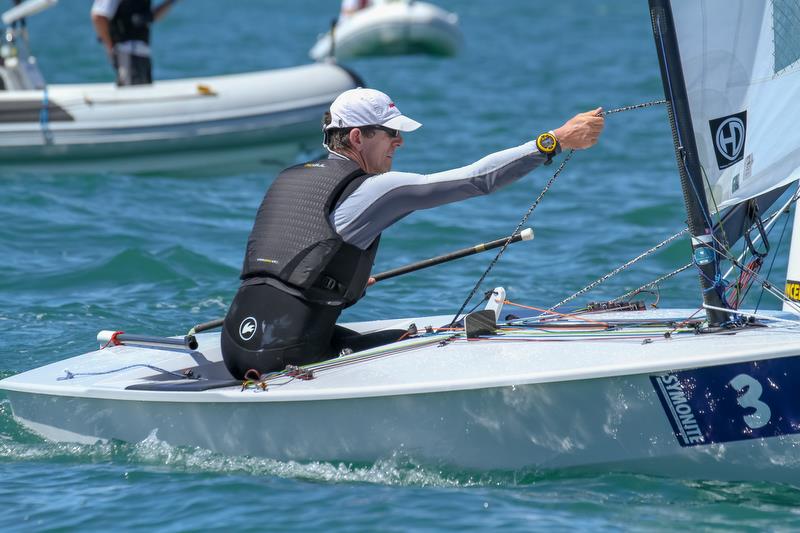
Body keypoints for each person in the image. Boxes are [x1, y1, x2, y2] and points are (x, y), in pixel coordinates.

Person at [221, 87, 604, 379]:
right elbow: (475, 180)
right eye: (390, 133)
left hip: (237, 341)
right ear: (357, 138)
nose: (399, 142)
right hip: (285, 352)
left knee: (406, 337)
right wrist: (551, 142)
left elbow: (295, 265)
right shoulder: (374, 188)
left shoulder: (289, 179)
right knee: (439, 341)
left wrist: (345, 281)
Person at [90, 0, 179, 86]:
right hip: (127, 53)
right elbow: (98, 16)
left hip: (143, 54)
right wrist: (109, 47)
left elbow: (150, 17)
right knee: (132, 95)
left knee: (144, 96)